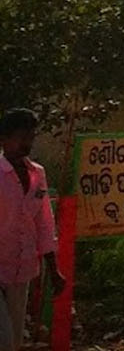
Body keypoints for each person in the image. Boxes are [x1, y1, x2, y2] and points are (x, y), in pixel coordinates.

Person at [0, 110, 61, 351]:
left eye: (30, 137)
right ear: (4, 139)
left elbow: (44, 223)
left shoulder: (37, 174)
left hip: (21, 268)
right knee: (3, 339)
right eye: (20, 137)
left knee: (15, 339)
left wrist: (54, 269)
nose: (26, 144)